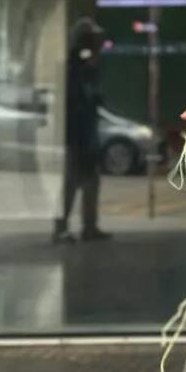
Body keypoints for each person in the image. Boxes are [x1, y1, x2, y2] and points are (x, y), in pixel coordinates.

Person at [53, 16, 111, 244]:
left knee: (90, 181)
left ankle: (89, 225)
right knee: (72, 182)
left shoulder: (86, 66)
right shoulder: (74, 66)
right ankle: (63, 227)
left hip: (86, 131)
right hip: (77, 133)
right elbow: (78, 99)